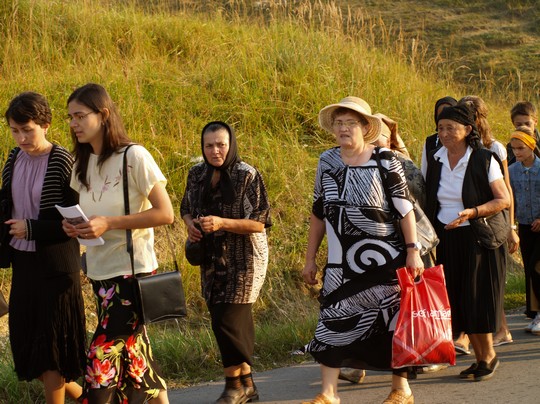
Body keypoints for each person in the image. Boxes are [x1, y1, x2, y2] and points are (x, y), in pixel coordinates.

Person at [302, 96, 423, 404]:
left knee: (391, 323)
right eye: (338, 123)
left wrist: (413, 250)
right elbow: (318, 212)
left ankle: (401, 389)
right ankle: (329, 393)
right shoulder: (327, 161)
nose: (343, 129)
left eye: (350, 123)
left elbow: (405, 209)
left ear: (366, 127)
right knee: (331, 321)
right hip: (340, 262)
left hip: (385, 259)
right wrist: (310, 258)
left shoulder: (384, 159)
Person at [62, 83, 173, 403]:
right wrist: (73, 226)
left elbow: (165, 213)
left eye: (80, 116)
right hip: (100, 272)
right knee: (136, 358)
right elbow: (90, 215)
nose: (74, 123)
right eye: (70, 117)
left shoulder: (133, 156)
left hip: (132, 274)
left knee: (100, 358)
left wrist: (109, 223)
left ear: (104, 114)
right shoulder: (81, 163)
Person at [0, 92, 86, 403]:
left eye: (27, 130)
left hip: (56, 267)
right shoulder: (13, 158)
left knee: (53, 350)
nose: (21, 138)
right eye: (14, 130)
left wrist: (32, 228)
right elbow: (6, 204)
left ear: (46, 125)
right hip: (23, 264)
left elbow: (77, 219)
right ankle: (86, 398)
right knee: (25, 345)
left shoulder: (62, 160)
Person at [181, 121, 271, 404]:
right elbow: (186, 209)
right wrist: (190, 225)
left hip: (245, 259)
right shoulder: (197, 174)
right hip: (210, 259)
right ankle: (247, 385)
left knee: (227, 321)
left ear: (231, 144)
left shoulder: (247, 175)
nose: (215, 151)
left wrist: (222, 222)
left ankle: (233, 386)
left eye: (221, 144)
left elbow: (259, 223)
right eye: (209, 145)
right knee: (225, 320)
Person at [425, 102, 510, 382]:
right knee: (459, 299)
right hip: (448, 238)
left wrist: (473, 212)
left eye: (451, 128)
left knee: (477, 298)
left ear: (467, 129)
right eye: (440, 128)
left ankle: (488, 356)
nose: (444, 134)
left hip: (478, 237)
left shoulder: (484, 159)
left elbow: (503, 199)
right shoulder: (436, 159)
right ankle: (480, 357)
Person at [460, 95, 518, 348]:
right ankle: (468, 334)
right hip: (468, 222)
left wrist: (511, 228)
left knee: (492, 281)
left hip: (493, 222)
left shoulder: (494, 147)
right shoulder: (456, 147)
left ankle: (502, 330)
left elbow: (507, 190)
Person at [508, 127, 540, 335]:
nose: (517, 152)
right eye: (514, 148)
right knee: (529, 268)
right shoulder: (511, 171)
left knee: (537, 266)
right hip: (525, 227)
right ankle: (534, 313)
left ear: (531, 146)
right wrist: (512, 226)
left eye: (521, 148)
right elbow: (510, 199)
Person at [420, 96, 458, 179]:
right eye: (440, 115)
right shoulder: (430, 142)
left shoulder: (462, 143)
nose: (444, 119)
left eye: (449, 115)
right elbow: (424, 172)